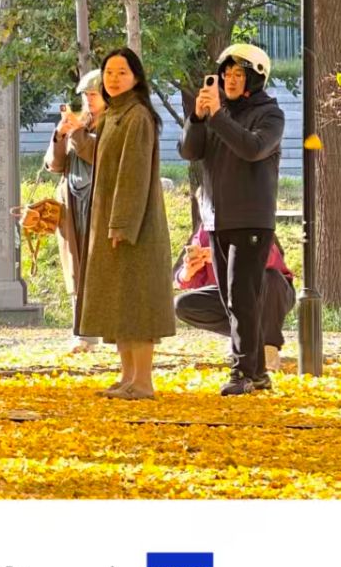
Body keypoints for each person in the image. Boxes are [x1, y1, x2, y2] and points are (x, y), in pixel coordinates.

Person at [179, 42, 285, 395]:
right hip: (216, 218)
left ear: (255, 78)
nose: (230, 80)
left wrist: (218, 117)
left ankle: (241, 372)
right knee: (234, 301)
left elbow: (252, 148)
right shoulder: (215, 114)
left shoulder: (270, 115)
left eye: (239, 74)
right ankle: (257, 373)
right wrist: (197, 118)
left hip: (251, 219)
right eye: (226, 74)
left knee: (242, 296)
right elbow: (190, 151)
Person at [75, 47, 174, 397]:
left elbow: (133, 175)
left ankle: (143, 381)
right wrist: (77, 134)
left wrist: (121, 224)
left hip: (134, 227)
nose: (113, 79)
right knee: (119, 302)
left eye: (122, 72)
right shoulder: (114, 114)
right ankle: (127, 376)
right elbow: (102, 159)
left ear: (136, 77)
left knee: (137, 303)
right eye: (109, 72)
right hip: (112, 222)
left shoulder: (137, 116)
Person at [174, 224, 295, 376]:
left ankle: (268, 349)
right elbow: (187, 280)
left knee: (271, 278)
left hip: (271, 293)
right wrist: (187, 272)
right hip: (231, 294)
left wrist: (222, 255)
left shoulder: (254, 221)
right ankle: (244, 337)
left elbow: (270, 260)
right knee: (182, 304)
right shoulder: (206, 229)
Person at [45, 67, 105, 350]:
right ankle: (82, 333)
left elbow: (99, 154)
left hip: (100, 205)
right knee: (75, 269)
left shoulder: (114, 125)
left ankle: (107, 332)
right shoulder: (79, 123)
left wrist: (78, 134)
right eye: (86, 95)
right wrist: (59, 135)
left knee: (100, 268)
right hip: (72, 203)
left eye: (94, 94)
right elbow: (55, 165)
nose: (89, 100)